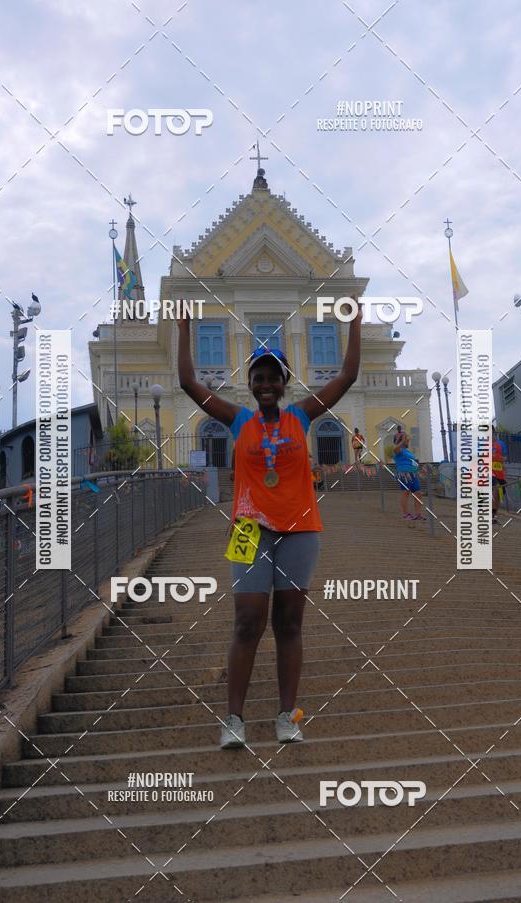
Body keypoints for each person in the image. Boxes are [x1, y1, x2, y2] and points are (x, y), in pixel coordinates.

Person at [177, 307, 362, 749]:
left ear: (284, 383)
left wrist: (355, 324)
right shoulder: (238, 420)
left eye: (273, 378)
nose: (265, 385)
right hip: (248, 530)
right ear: (250, 384)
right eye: (258, 378)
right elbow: (188, 384)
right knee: (246, 623)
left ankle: (287, 716)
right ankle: (234, 720)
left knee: (290, 623)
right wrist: (183, 329)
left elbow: (348, 377)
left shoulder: (301, 416)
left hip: (300, 531)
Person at [393, 430, 425, 520]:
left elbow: (413, 461)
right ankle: (405, 514)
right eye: (406, 439)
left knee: (418, 493)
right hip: (404, 473)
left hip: (413, 473)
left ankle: (418, 514)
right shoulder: (399, 450)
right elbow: (395, 450)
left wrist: (417, 466)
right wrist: (402, 441)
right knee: (405, 492)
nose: (408, 441)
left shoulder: (408, 451)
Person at [492, 427, 507, 524]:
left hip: (500, 473)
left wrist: (495, 457)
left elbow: (505, 458)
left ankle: (494, 517)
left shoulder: (501, 444)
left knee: (498, 496)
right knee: (495, 491)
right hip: (489, 472)